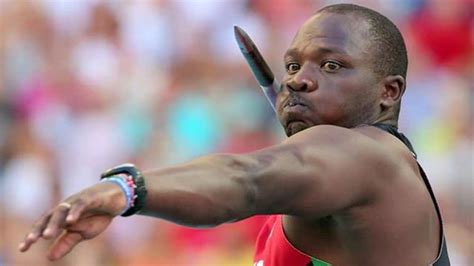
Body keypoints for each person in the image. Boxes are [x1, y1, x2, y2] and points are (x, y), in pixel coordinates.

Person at [19, 4, 450, 266]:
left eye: (331, 65)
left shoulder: (368, 156)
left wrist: (127, 188)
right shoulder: (340, 170)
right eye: (294, 66)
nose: (299, 80)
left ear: (388, 92)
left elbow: (247, 179)